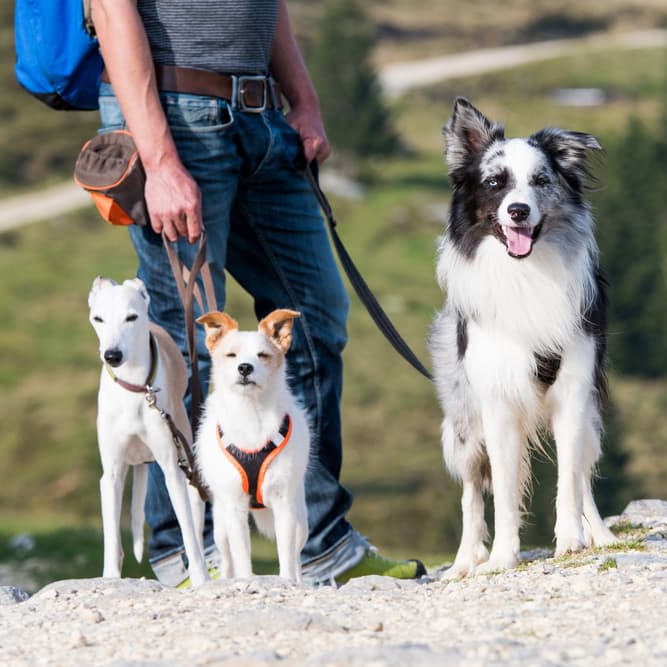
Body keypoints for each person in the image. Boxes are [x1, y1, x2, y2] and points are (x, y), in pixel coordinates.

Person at [90, 0, 425, 586]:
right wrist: (160, 161)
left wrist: (305, 102)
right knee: (184, 337)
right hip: (176, 116)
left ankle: (319, 543)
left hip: (263, 117)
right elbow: (113, 11)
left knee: (316, 318)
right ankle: (182, 550)